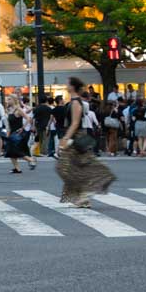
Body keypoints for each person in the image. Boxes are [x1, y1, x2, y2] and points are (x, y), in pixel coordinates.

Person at [56, 76, 116, 207]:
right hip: (75, 137)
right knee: (76, 167)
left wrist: (65, 138)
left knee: (64, 167)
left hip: (76, 138)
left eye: (68, 83)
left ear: (73, 86)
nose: (66, 85)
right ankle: (83, 197)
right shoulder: (73, 101)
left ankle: (85, 194)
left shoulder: (76, 102)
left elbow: (75, 123)